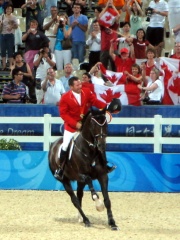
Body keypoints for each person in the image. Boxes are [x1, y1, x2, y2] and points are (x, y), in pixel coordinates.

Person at [54, 76, 116, 178]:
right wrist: (75, 124)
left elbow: (95, 101)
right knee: (65, 145)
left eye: (80, 84)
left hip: (85, 125)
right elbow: (64, 115)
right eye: (77, 85)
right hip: (71, 127)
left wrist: (106, 107)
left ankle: (105, 165)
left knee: (98, 141)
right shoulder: (65, 98)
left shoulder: (86, 92)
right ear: (71, 87)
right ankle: (61, 168)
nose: (80, 86)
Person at [99, 0, 120, 71]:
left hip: (113, 48)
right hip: (104, 48)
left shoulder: (114, 26)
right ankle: (104, 81)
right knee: (103, 68)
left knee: (115, 67)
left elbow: (118, 16)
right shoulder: (102, 25)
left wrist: (113, 6)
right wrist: (106, 6)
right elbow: (99, 16)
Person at [0, 3, 18, 70]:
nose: (9, 10)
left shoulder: (14, 17)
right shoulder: (2, 16)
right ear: (5, 9)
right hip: (2, 35)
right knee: (3, 51)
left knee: (10, 51)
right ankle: (4, 66)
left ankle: (10, 66)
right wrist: (1, 24)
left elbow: (16, 26)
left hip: (10, 36)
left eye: (10, 8)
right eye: (7, 8)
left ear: (12, 9)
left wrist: (12, 26)